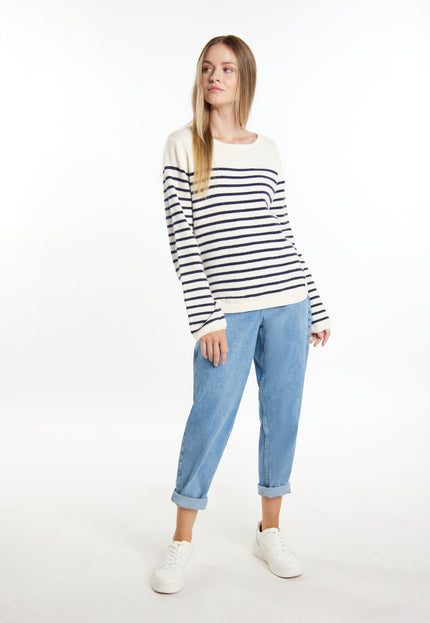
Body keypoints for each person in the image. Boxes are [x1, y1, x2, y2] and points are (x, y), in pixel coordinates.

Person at [151, 34, 331, 594]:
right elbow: (182, 236)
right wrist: (205, 318)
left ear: (243, 78)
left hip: (287, 303)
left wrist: (314, 301)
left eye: (227, 68)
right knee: (210, 419)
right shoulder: (183, 144)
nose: (215, 76)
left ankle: (269, 532)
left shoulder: (266, 149)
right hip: (226, 313)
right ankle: (181, 541)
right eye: (208, 67)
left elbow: (282, 229)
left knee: (283, 417)